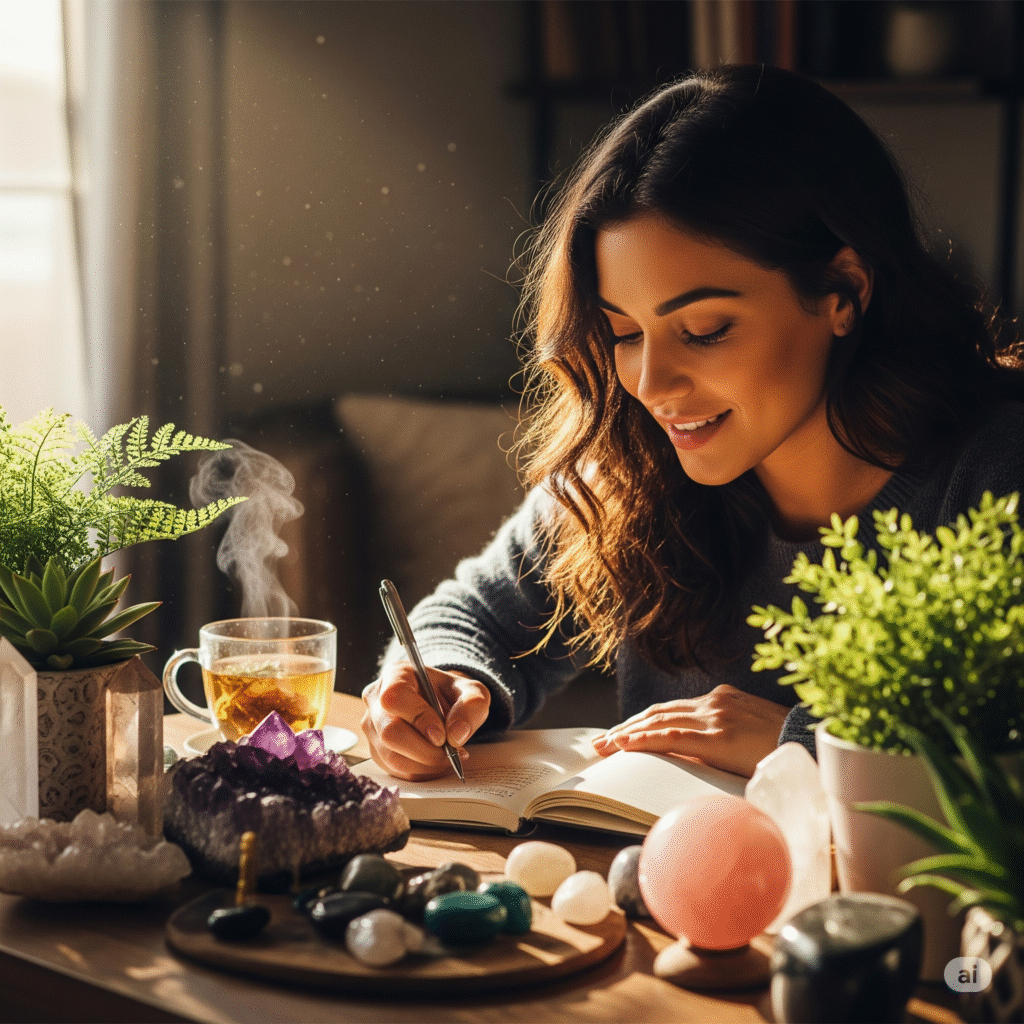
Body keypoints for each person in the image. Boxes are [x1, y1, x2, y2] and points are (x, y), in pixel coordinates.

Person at [361, 63, 1024, 782]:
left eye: (704, 329)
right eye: (623, 331)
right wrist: (443, 685)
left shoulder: (995, 476)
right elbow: (472, 615)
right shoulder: (633, 470)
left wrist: (802, 743)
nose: (651, 385)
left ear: (843, 291)